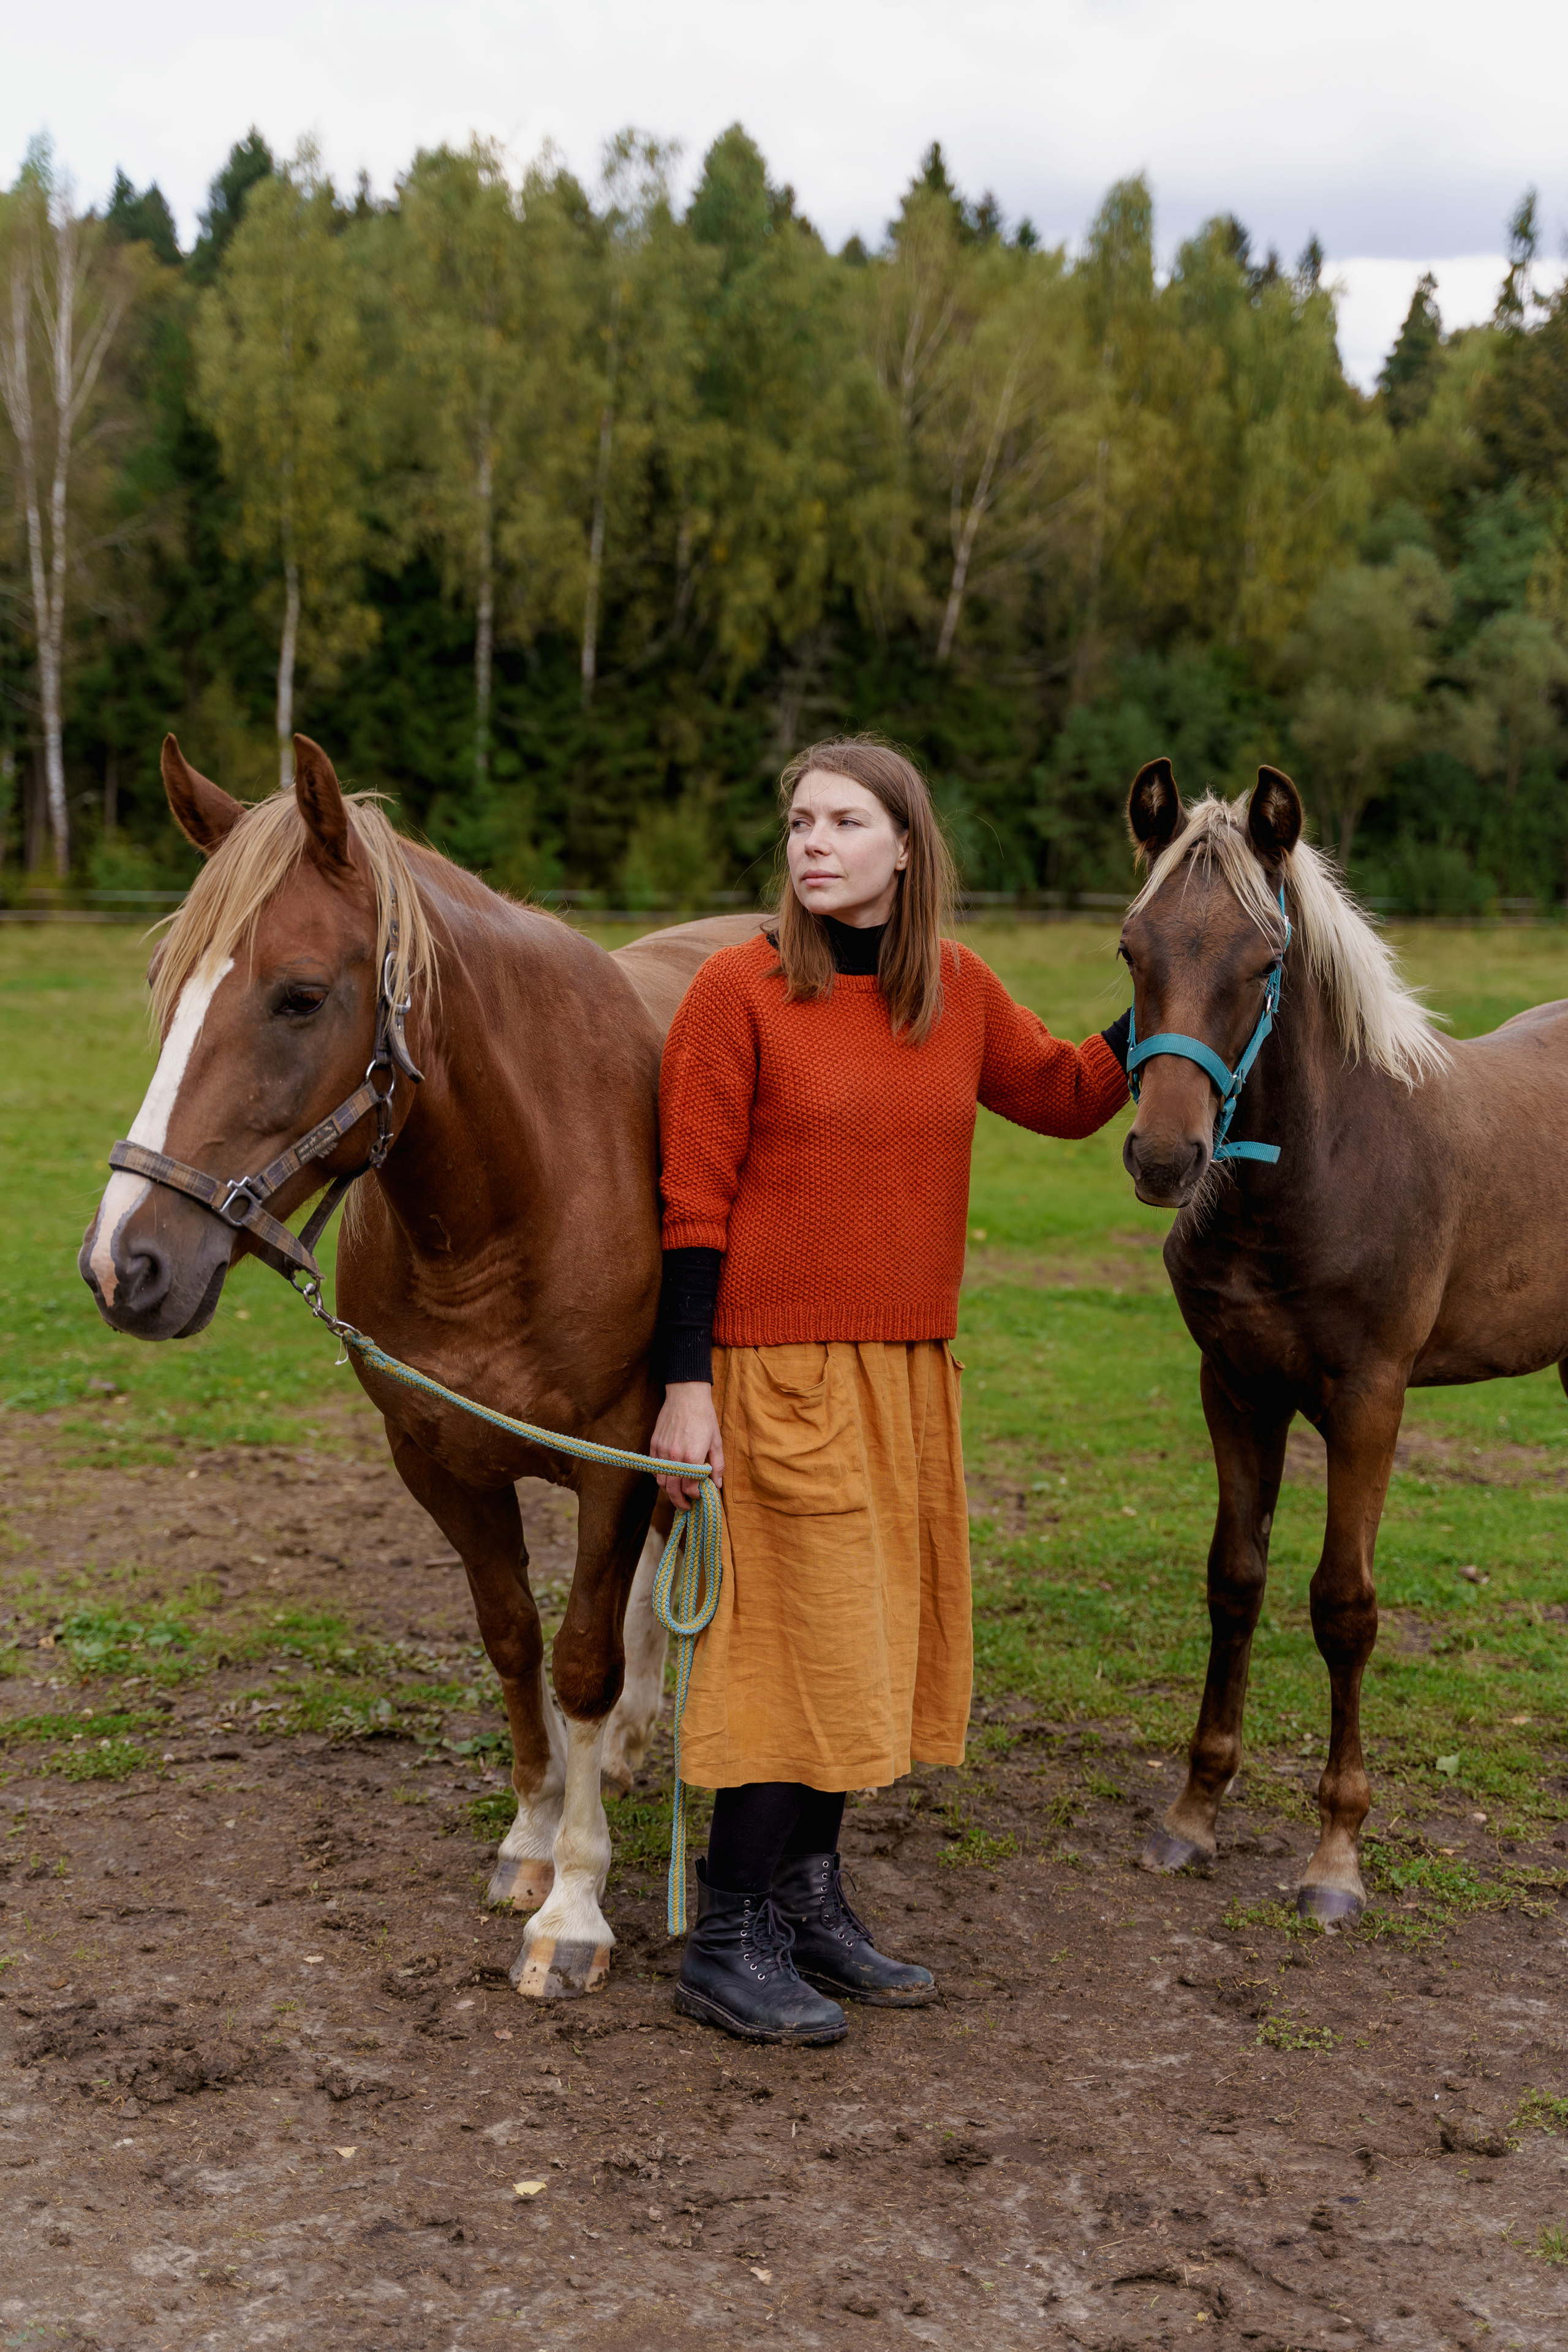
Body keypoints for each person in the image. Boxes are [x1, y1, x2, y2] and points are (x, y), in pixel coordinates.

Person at [649, 738, 1131, 2045]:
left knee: (864, 1645)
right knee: (791, 1649)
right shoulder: (733, 995)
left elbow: (1072, 1095)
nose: (812, 842)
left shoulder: (954, 993)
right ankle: (725, 1933)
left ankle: (808, 1902)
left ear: (905, 848)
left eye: (844, 822)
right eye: (799, 820)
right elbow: (690, 1204)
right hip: (771, 1371)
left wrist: (1184, 987)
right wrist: (683, 1388)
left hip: (905, 1365)